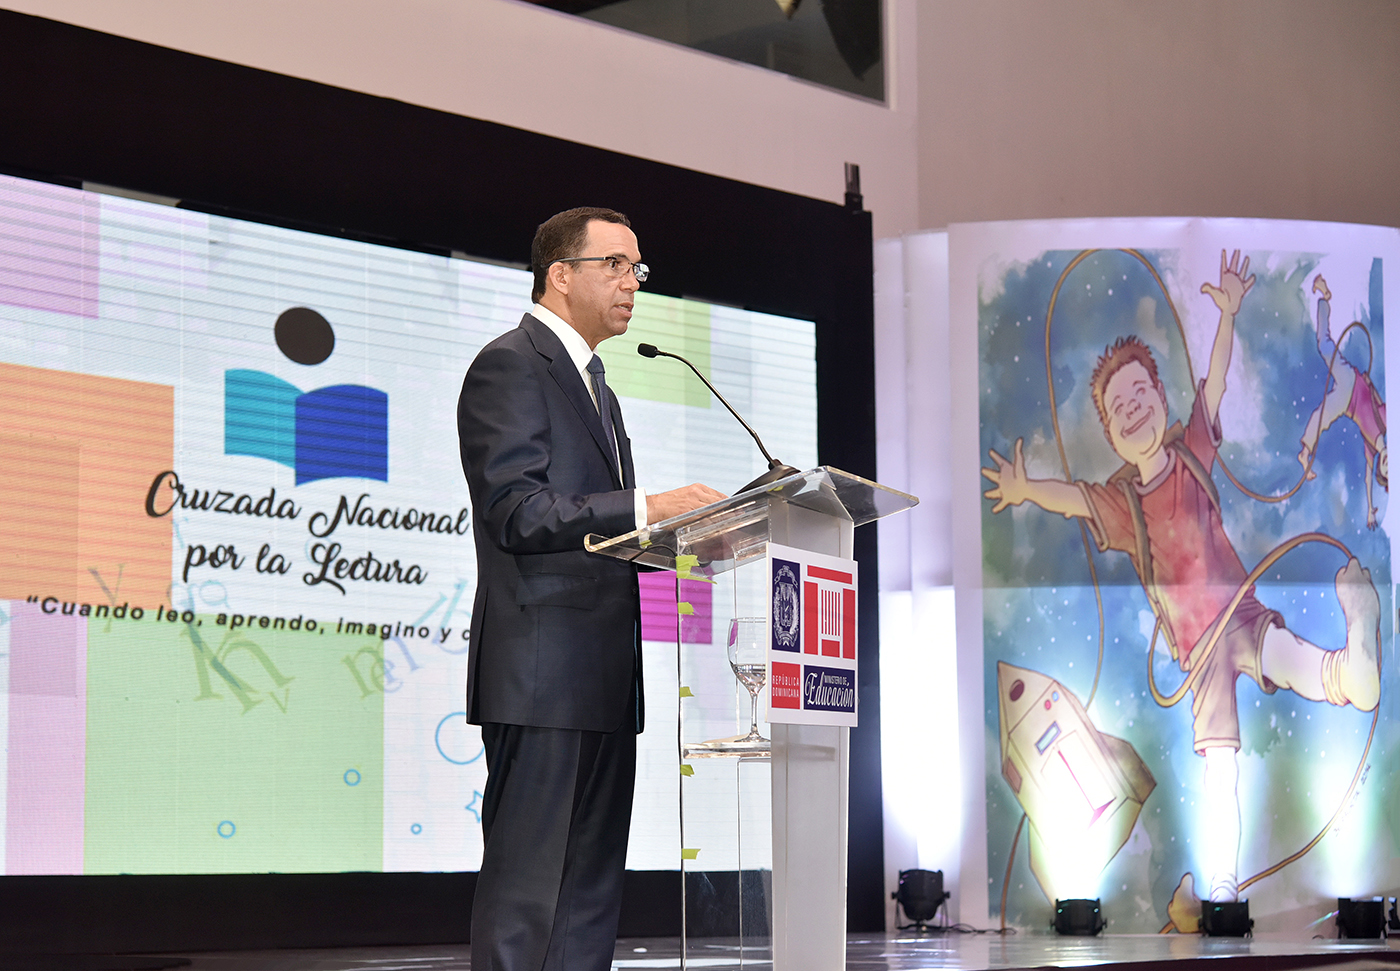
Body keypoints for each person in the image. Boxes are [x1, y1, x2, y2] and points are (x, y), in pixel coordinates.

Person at [981, 250, 1381, 905]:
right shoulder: (1123, 503)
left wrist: (1226, 317)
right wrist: (1027, 488)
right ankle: (1221, 882)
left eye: (1142, 392)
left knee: (1284, 654)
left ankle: (1350, 672)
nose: (1133, 406)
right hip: (1198, 655)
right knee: (1219, 765)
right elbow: (1075, 498)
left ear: (1162, 398)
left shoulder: (1190, 452)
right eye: (1118, 405)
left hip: (1239, 612)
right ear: (1110, 432)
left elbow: (1214, 388)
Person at [457, 207, 725, 971]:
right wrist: (649, 506)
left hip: (605, 677)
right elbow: (517, 510)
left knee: (587, 900)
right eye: (614, 263)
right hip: (541, 678)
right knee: (528, 896)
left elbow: (603, 534)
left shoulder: (599, 388)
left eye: (638, 267)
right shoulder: (510, 363)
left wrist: (693, 541)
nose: (631, 282)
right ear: (560, 274)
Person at [1297, 273, 1388, 528]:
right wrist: (1370, 387)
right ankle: (1325, 298)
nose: (1387, 464)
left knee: (1322, 416)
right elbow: (1378, 404)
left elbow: (1369, 480)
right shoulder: (1388, 423)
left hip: (1347, 405)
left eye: (1386, 469)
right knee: (1324, 346)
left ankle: (1305, 452)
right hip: (1352, 382)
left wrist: (1370, 510)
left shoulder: (1372, 449)